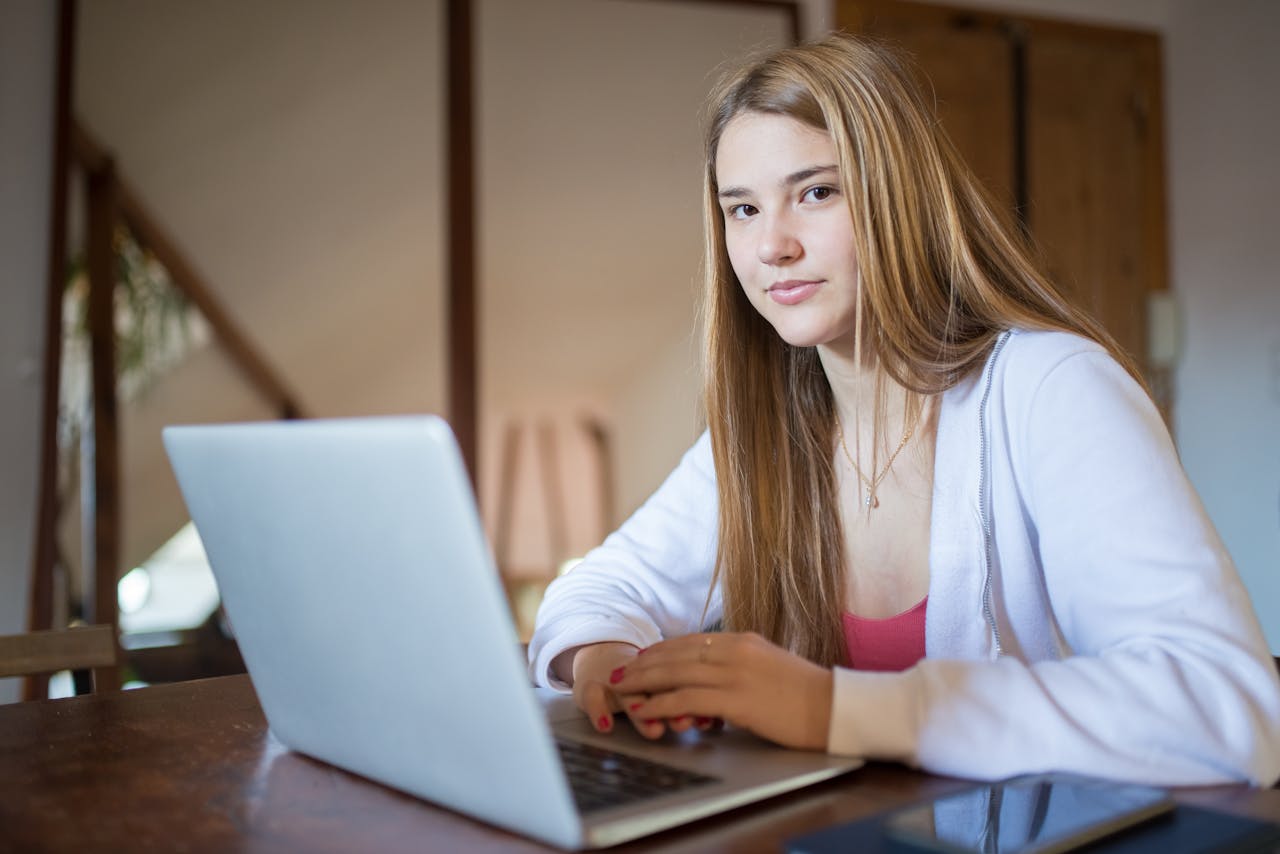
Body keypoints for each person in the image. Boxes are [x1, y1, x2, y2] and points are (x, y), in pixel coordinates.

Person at [526, 33, 1280, 786]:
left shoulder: (1052, 389)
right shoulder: (773, 432)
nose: (771, 246)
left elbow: (1232, 707)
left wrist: (834, 707)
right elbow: (597, 590)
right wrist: (604, 661)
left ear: (900, 197)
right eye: (743, 209)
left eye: (816, 192)